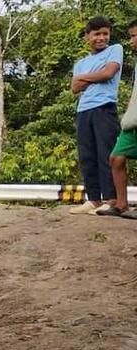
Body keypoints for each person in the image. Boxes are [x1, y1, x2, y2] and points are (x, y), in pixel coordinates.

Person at [70, 16, 123, 215]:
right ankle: (93, 200)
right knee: (87, 156)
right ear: (87, 36)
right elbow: (75, 87)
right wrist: (93, 76)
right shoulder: (81, 62)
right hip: (83, 110)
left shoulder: (115, 49)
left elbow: (108, 73)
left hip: (105, 108)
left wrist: (84, 78)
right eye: (96, 34)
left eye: (105, 34)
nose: (101, 38)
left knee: (106, 154)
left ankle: (111, 200)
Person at [98, 20, 137, 219]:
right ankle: (122, 204)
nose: (131, 41)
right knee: (116, 157)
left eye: (134, 36)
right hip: (132, 122)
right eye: (130, 36)